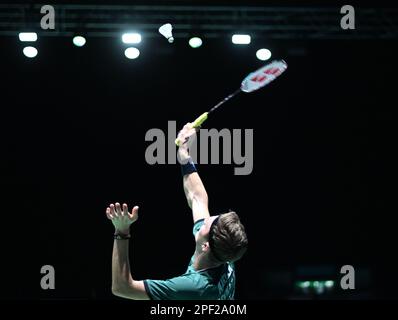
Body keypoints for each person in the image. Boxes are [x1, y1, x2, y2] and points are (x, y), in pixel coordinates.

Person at [106, 123, 248, 300]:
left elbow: (122, 288)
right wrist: (183, 152)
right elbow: (197, 197)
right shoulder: (225, 251)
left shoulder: (196, 287)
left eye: (208, 223)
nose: (205, 219)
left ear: (205, 246)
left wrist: (121, 231)